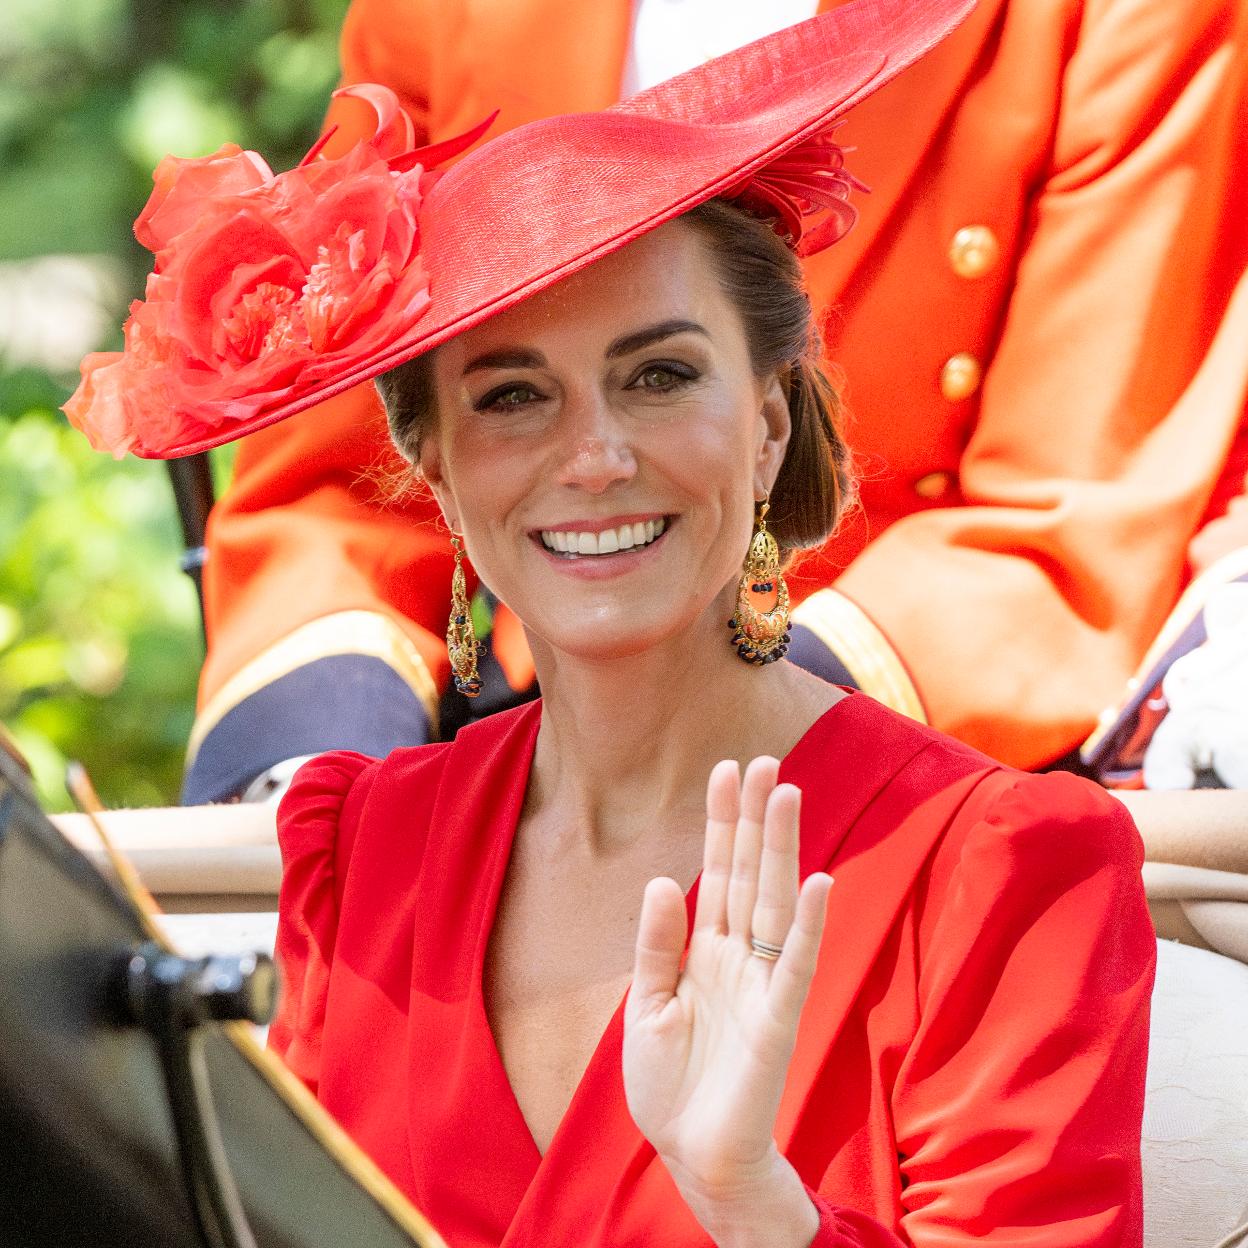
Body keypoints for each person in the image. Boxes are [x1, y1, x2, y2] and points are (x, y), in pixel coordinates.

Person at [64, 4, 1156, 1243]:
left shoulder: (1005, 874)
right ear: (440, 474)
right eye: (514, 396)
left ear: (769, 425)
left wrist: (757, 1207)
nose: (593, 457)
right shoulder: (362, 854)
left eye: (660, 375)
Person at [178, 0, 1248, 805]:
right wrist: (307, 781)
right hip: (522, 747)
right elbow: (346, 489)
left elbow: (1065, 513)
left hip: (920, 759)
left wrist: (718, 759)